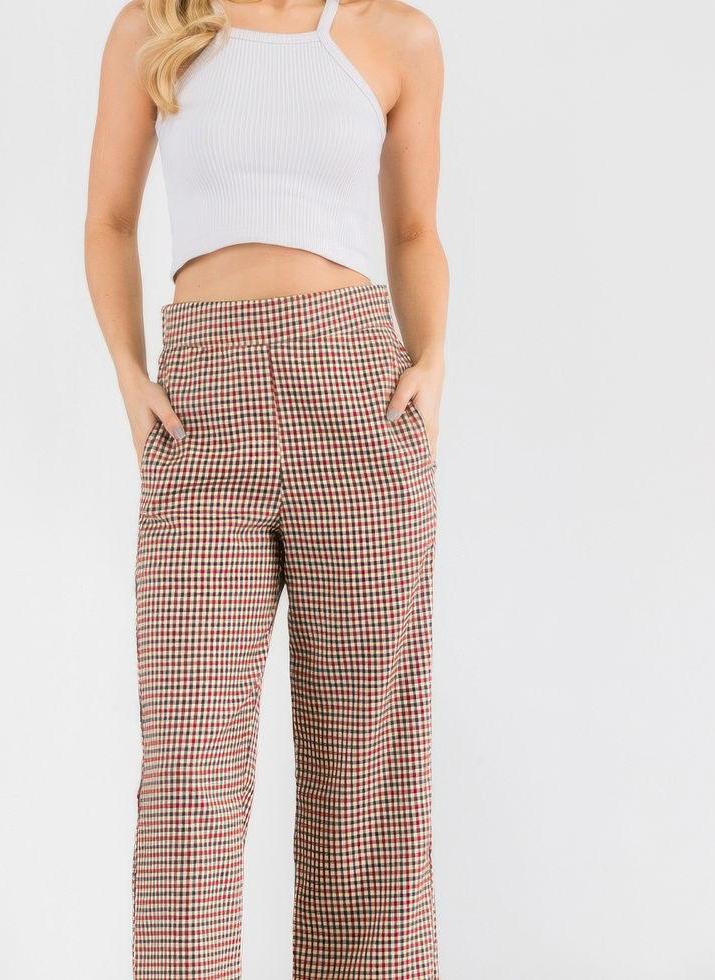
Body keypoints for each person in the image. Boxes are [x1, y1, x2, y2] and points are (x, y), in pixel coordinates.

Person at [84, 0, 447, 976]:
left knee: (365, 769)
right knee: (187, 766)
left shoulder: (395, 36)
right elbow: (109, 220)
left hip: (357, 390)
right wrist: (130, 374)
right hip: (199, 402)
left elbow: (414, 230)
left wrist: (431, 363)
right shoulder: (157, 25)